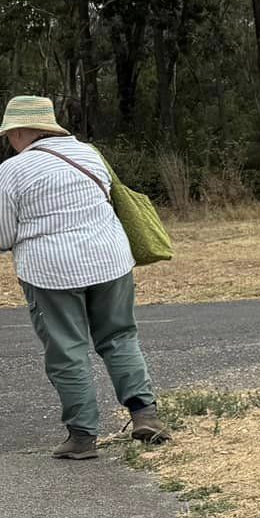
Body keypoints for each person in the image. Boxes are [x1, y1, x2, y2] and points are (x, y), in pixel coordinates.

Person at [0, 96, 171, 459]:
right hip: (110, 260)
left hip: (50, 272)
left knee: (67, 350)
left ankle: (81, 437)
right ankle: (145, 415)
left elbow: (3, 235)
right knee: (120, 336)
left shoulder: (11, 171)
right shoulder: (89, 154)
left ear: (19, 132)